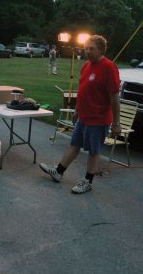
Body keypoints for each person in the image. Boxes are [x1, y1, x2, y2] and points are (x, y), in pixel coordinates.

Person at [39, 35, 121, 194]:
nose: (88, 52)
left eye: (92, 49)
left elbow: (114, 98)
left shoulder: (109, 68)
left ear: (102, 49)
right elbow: (83, 90)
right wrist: (77, 110)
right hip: (83, 115)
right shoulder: (86, 66)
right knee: (74, 144)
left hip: (98, 118)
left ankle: (87, 181)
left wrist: (116, 123)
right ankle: (59, 172)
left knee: (93, 150)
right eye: (86, 49)